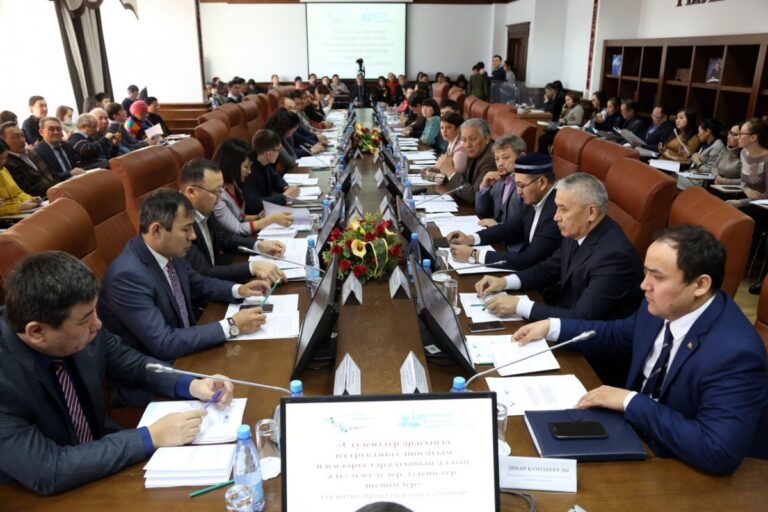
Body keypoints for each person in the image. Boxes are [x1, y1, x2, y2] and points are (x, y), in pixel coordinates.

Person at [512, 225, 768, 475]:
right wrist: (552, 327)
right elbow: (617, 335)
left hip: (682, 466)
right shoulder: (663, 306)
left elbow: (718, 451)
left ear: (700, 285)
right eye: (646, 273)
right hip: (635, 432)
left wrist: (630, 401)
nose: (644, 285)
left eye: (658, 277)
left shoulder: (735, 354)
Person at [0, 251, 237, 495]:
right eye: (85, 319)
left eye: (94, 311)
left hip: (102, 455)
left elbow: (133, 364)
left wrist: (192, 383)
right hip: (36, 490)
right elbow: (47, 469)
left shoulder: (81, 326)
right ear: (37, 332)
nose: (97, 324)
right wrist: (151, 437)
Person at [99, 189, 271, 362]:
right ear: (157, 230)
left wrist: (240, 290)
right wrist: (232, 325)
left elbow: (200, 284)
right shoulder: (126, 277)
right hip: (162, 367)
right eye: (186, 229)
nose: (193, 236)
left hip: (188, 346)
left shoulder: (169, 251)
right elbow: (164, 343)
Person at [475, 172, 643, 321]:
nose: (556, 217)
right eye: (556, 208)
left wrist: (520, 306)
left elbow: (582, 317)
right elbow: (548, 269)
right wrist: (504, 282)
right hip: (563, 314)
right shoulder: (579, 229)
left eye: (563, 209)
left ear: (591, 212)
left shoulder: (614, 257)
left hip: (589, 341)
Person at [178, 158, 285, 284]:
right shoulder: (179, 224)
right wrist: (251, 268)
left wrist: (259, 246)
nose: (220, 197)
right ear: (191, 192)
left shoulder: (204, 207)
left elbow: (225, 239)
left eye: (221, 190)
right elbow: (205, 272)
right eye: (215, 191)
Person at [449, 152, 562, 271]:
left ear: (542, 182)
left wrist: (474, 255)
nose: (518, 192)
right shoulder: (536, 196)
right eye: (516, 185)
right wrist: (470, 239)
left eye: (521, 186)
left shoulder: (556, 211)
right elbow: (510, 227)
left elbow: (528, 259)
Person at [214, 138, 294, 236]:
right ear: (233, 166)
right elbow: (238, 229)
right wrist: (271, 219)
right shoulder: (218, 195)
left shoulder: (235, 184)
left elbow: (238, 216)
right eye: (246, 167)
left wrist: (257, 217)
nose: (249, 171)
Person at [473, 134, 528, 227]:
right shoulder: (498, 180)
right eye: (497, 159)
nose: (500, 163)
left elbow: (524, 224)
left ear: (522, 157)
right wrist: (485, 186)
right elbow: (481, 211)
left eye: (505, 158)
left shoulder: (527, 184)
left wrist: (498, 225)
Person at [242, 129, 300, 214]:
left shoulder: (264, 163)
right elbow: (253, 204)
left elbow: (276, 178)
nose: (279, 153)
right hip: (257, 216)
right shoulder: (249, 171)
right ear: (269, 153)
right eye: (278, 150)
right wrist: (284, 195)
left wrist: (285, 187)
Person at [441, 118, 496, 205]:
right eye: (464, 140)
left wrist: (451, 173)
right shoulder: (475, 151)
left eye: (473, 139)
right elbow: (465, 180)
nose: (467, 145)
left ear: (486, 139)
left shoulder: (491, 159)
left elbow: (474, 196)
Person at [0, 122, 61, 197]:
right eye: (16, 137)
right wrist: (56, 188)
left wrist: (60, 185)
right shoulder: (6, 163)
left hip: (56, 191)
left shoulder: (32, 153)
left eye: (22, 135)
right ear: (3, 141)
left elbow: (51, 173)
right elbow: (29, 189)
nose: (22, 140)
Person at [678, 118, 725, 190]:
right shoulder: (706, 143)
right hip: (692, 175)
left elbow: (711, 172)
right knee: (668, 175)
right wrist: (687, 154)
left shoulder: (717, 147)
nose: (698, 134)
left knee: (670, 178)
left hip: (699, 181)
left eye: (699, 131)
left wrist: (698, 162)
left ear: (707, 131)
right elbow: (696, 160)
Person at [0, 139, 42, 215]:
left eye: (5, 158)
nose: (2, 162)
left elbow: (18, 192)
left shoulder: (3, 169)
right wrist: (18, 207)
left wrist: (31, 199)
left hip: (20, 212)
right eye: (0, 159)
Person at [421, 112, 466, 181]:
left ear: (458, 129)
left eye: (448, 127)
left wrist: (433, 176)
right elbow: (444, 167)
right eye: (442, 128)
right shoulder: (451, 142)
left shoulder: (461, 148)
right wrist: (433, 169)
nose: (444, 131)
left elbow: (454, 176)